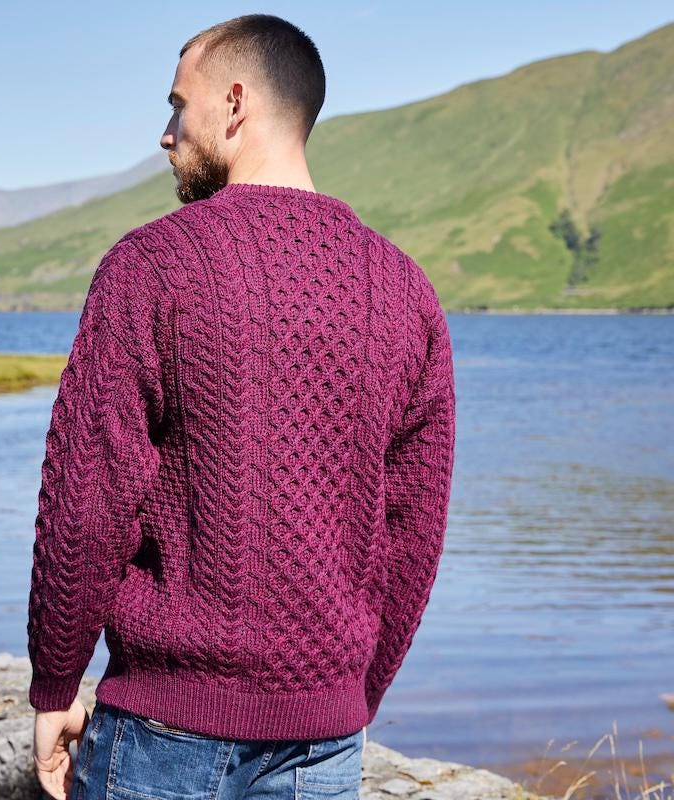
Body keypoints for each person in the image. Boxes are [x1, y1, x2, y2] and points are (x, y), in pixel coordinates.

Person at [27, 12, 456, 800]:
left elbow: (88, 500)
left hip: (162, 732)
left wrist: (54, 685)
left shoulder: (151, 265)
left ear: (233, 104)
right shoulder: (408, 292)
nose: (165, 134)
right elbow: (415, 532)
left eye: (177, 106)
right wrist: (353, 697)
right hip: (324, 743)